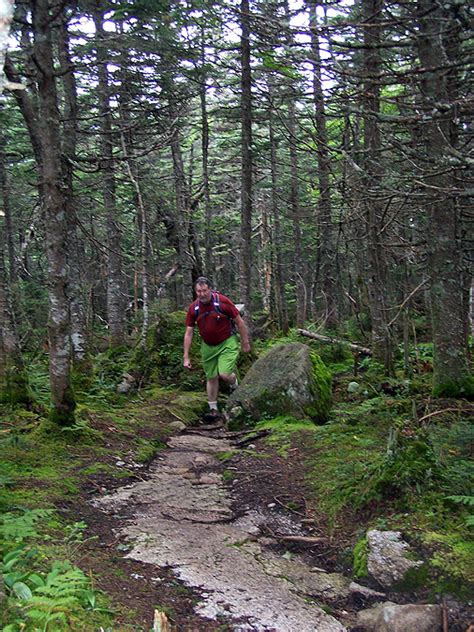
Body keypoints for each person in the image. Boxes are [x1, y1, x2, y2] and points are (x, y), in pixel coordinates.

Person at [183, 277, 251, 419]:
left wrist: (245, 342)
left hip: (227, 342)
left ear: (210, 289)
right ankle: (213, 408)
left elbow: (239, 322)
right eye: (198, 291)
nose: (202, 294)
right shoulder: (194, 308)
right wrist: (186, 356)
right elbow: (189, 332)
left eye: (204, 290)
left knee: (224, 374)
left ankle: (234, 384)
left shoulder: (222, 302)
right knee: (211, 376)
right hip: (208, 345)